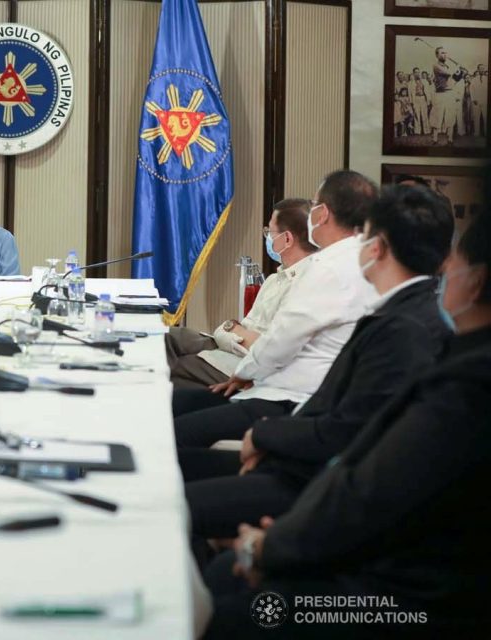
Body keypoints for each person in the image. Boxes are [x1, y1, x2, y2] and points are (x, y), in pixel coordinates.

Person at [201, 206, 491, 639]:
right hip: (372, 546)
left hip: (403, 602)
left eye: (456, 263)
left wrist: (269, 548)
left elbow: (367, 482)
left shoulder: (458, 376)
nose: (445, 271)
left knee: (237, 602)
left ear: (476, 281)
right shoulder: (441, 339)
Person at [181, 185, 454, 545]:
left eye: (363, 237)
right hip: (304, 452)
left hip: (316, 481)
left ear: (376, 247)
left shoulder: (402, 328)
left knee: (172, 502)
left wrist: (265, 437)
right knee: (179, 468)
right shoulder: (403, 311)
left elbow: (346, 429)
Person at [172, 170, 379, 448]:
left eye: (314, 205)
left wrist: (245, 372)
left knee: (175, 432)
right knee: (177, 405)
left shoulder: (327, 267)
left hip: (289, 398)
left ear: (323, 213)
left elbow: (283, 337)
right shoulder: (364, 262)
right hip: (291, 390)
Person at [165, 199, 317, 389]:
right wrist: (234, 331)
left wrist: (233, 331)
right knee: (162, 336)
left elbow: (269, 348)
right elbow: (241, 328)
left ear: (287, 239)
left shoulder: (306, 284)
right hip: (229, 345)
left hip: (244, 362)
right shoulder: (274, 279)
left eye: (270, 232)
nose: (267, 238)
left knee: (166, 367)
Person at [431, 47, 465, 145]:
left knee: (450, 115)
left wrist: (461, 72)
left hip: (450, 93)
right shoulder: (436, 66)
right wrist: (457, 66)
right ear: (437, 55)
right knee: (438, 116)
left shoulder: (447, 66)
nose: (444, 55)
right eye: (442, 53)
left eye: (445, 53)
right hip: (440, 94)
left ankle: (450, 138)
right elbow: (449, 73)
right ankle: (435, 138)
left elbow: (455, 79)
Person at [410, 68, 432, 137]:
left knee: (424, 114)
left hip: (423, 98)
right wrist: (411, 102)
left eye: (418, 72)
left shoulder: (424, 81)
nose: (417, 74)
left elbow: (428, 92)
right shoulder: (411, 83)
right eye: (416, 72)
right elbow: (410, 94)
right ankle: (417, 131)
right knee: (417, 114)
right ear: (413, 73)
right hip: (416, 98)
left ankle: (426, 130)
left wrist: (428, 101)